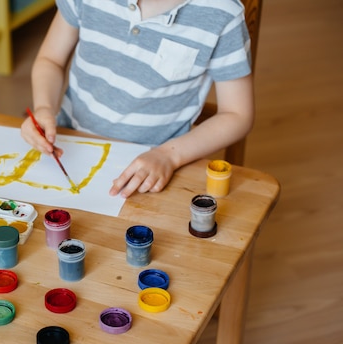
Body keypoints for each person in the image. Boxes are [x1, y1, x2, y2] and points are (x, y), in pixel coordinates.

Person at [20, 0, 254, 198]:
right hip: (69, 144)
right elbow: (51, 60)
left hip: (154, 168)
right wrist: (44, 107)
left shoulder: (222, 14)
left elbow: (237, 115)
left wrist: (168, 156)